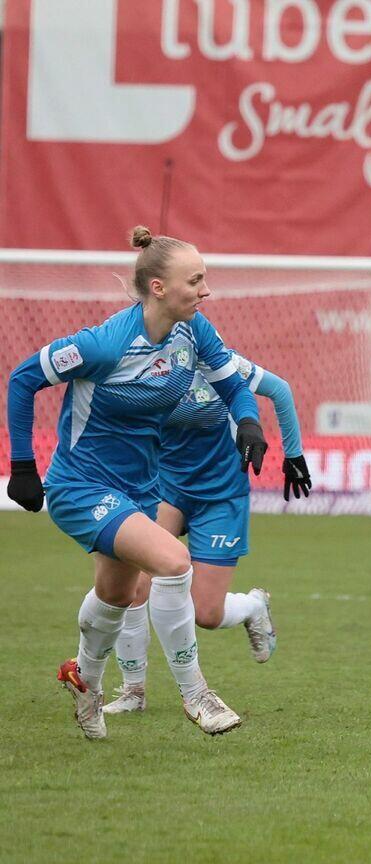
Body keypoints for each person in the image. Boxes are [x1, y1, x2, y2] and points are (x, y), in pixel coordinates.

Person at [5, 227, 267, 739]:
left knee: (117, 594)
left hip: (141, 489)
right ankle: (197, 695)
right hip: (82, 486)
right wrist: (22, 466)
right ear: (158, 288)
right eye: (195, 280)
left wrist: (249, 422)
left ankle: (83, 681)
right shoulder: (104, 344)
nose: (206, 290)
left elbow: (232, 383)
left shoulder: (194, 331)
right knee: (174, 562)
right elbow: (22, 378)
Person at [102, 350, 311, 715]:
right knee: (135, 584)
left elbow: (280, 390)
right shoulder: (142, 361)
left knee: (206, 613)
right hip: (167, 488)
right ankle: (133, 691)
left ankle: (253, 605)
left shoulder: (221, 362)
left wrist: (293, 455)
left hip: (221, 495)